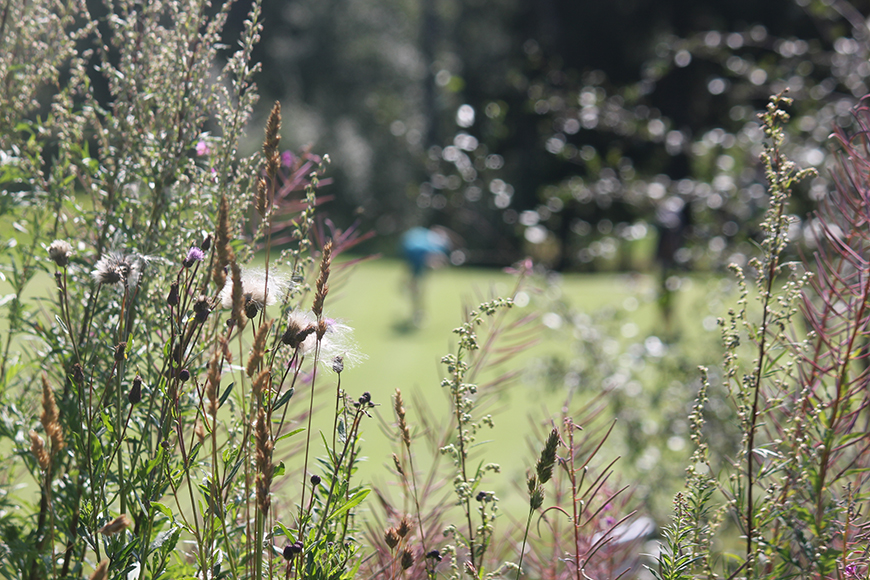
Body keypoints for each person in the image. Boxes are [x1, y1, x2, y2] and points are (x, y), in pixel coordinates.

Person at [400, 226, 451, 326]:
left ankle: (418, 308)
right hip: (410, 245)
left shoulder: (441, 248)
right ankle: (416, 308)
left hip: (422, 250)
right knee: (414, 285)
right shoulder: (415, 252)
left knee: (419, 285)